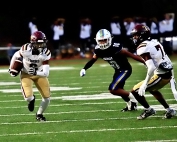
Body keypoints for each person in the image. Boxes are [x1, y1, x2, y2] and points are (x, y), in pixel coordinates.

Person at [79, 29, 145, 111]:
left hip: (125, 69)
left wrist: (145, 62)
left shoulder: (115, 47)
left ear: (109, 39)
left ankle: (133, 98)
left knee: (113, 89)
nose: (102, 42)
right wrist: (84, 68)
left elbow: (131, 55)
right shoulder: (98, 50)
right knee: (119, 89)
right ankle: (130, 105)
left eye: (104, 40)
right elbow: (93, 60)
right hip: (118, 71)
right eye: (100, 41)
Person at [130, 24, 176, 120]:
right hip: (167, 72)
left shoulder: (142, 47)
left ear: (142, 35)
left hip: (161, 75)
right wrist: (172, 77)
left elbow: (151, 67)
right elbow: (166, 59)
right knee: (153, 89)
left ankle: (148, 109)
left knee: (135, 91)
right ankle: (169, 110)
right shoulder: (154, 42)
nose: (134, 37)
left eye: (136, 35)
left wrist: (145, 84)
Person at [9, 31, 51, 121]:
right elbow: (16, 55)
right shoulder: (25, 49)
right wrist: (11, 67)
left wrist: (36, 72)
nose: (42, 45)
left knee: (47, 98)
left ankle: (39, 114)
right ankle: (32, 100)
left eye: (43, 43)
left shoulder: (46, 53)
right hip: (26, 74)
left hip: (40, 74)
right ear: (33, 43)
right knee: (28, 97)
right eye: (39, 43)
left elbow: (46, 73)